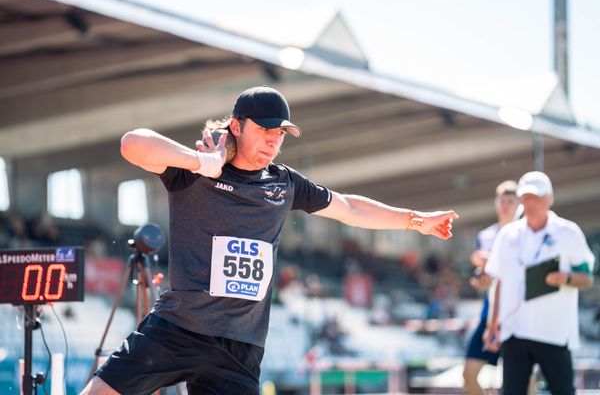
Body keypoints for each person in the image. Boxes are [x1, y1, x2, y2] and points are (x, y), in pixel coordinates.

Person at [81, 85, 459, 395]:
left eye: (279, 134)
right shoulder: (194, 171)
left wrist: (414, 220)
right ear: (236, 126)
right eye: (264, 131)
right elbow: (133, 143)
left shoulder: (284, 183)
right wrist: (202, 164)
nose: (272, 143)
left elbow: (348, 208)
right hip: (179, 328)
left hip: (240, 348)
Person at [484, 171, 595, 395]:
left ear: (550, 198)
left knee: (563, 391)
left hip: (553, 331)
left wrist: (566, 278)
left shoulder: (568, 232)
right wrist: (493, 323)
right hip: (515, 330)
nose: (530, 203)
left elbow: (587, 278)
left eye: (536, 197)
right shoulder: (507, 235)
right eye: (526, 197)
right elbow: (500, 282)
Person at [463, 180, 519, 395]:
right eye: (501, 200)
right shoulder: (485, 236)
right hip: (489, 315)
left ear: (518, 204)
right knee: (469, 374)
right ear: (496, 203)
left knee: (524, 379)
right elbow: (485, 278)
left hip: (517, 316)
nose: (505, 205)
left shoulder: (524, 234)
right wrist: (481, 279)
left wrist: (493, 260)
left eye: (510, 201)